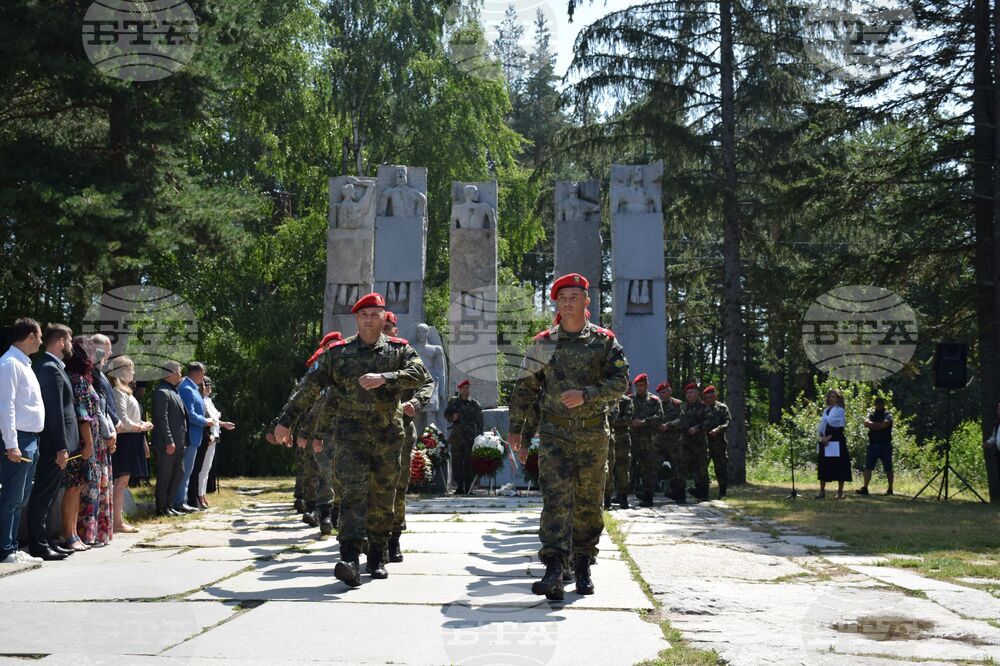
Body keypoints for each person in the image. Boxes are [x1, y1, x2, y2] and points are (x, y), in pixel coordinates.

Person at [272, 292, 432, 587]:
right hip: (351, 436)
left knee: (382, 497)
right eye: (364, 315)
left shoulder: (399, 350)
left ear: (384, 318)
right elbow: (309, 387)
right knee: (352, 494)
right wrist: (285, 421)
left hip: (387, 436)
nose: (369, 320)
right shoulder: (338, 353)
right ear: (356, 319)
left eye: (375, 314)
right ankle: (348, 557)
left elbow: (420, 375)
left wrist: (386, 378)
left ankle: (377, 554)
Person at [509, 273, 629, 600]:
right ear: (556, 303)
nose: (568, 302)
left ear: (586, 301)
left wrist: (587, 394)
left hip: (592, 435)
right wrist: (517, 432)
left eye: (574, 297)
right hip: (554, 434)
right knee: (555, 499)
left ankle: (584, 562)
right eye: (562, 298)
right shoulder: (544, 343)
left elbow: (621, 383)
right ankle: (553, 568)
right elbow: (525, 390)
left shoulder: (604, 342)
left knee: (589, 501)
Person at [26, 324, 78, 560]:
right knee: (43, 495)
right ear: (59, 341)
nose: (71, 345)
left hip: (58, 444)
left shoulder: (56, 367)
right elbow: (54, 411)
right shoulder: (49, 368)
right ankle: (38, 544)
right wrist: (60, 446)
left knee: (48, 496)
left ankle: (45, 540)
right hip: (53, 445)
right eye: (69, 340)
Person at [0, 318, 46, 565]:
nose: (41, 340)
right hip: (19, 439)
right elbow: (5, 406)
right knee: (12, 496)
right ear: (30, 336)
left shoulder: (24, 364)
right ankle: (5, 549)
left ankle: (12, 547)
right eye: (39, 336)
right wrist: (11, 444)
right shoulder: (9, 364)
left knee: (21, 497)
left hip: (31, 439)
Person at [59, 336, 102, 550]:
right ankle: (68, 534)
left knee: (77, 486)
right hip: (79, 441)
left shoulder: (83, 378)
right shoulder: (77, 379)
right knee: (73, 487)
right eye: (92, 352)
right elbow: (83, 415)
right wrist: (89, 443)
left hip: (85, 440)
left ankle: (74, 533)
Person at [106, 355, 152, 531]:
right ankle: (117, 522)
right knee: (120, 482)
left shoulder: (124, 390)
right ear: (122, 371)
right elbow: (123, 420)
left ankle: (117, 520)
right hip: (126, 439)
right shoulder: (117, 391)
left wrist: (140, 426)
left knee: (122, 482)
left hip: (132, 437)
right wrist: (142, 427)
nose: (133, 372)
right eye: (131, 369)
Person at [174, 362, 217, 513]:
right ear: (198, 373)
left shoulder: (191, 387)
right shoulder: (186, 388)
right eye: (203, 374)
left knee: (189, 470)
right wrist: (207, 421)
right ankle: (180, 501)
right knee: (185, 471)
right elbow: (191, 416)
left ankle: (182, 500)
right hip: (190, 435)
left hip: (195, 435)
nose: (204, 377)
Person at [152, 361, 188, 516]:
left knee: (179, 472)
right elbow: (162, 419)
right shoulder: (161, 392)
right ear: (171, 373)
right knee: (165, 476)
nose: (180, 374)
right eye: (179, 371)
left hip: (178, 443)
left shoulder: (173, 391)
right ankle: (162, 508)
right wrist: (169, 440)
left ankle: (169, 504)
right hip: (168, 443)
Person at [666, 383, 710, 504]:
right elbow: (680, 420)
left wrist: (697, 428)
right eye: (687, 393)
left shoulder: (704, 407)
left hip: (699, 443)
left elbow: (709, 421)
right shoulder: (684, 407)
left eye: (691, 392)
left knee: (701, 469)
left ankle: (703, 494)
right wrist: (669, 425)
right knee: (681, 468)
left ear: (697, 393)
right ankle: (680, 495)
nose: (689, 395)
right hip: (685, 443)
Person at [195, 377, 234, 509]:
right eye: (206, 384)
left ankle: (202, 494)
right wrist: (216, 418)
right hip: (208, 436)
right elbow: (209, 419)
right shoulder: (200, 400)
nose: (209, 387)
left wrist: (224, 424)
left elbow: (215, 420)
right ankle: (198, 496)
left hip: (215, 435)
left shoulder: (209, 400)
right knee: (202, 468)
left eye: (210, 384)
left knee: (207, 469)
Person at [630, 373, 664, 507]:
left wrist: (644, 422)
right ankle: (624, 495)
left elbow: (660, 416)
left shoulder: (654, 400)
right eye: (637, 386)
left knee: (647, 469)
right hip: (632, 439)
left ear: (647, 385)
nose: (639, 388)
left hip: (648, 440)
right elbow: (623, 414)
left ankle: (648, 496)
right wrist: (631, 422)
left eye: (642, 385)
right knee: (629, 467)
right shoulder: (630, 399)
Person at [444, 379, 483, 494]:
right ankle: (459, 487)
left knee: (469, 462)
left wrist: (479, 437)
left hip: (470, 437)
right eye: (464, 388)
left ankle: (469, 487)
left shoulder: (475, 404)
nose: (466, 390)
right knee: (457, 462)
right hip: (457, 436)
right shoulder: (454, 402)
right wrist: (452, 418)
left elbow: (480, 422)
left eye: (468, 388)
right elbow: (446, 414)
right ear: (460, 390)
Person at [816, 389, 851, 499]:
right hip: (825, 441)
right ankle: (822, 492)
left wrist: (829, 438)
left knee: (839, 466)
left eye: (834, 397)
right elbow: (822, 426)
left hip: (837, 440)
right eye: (830, 397)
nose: (832, 399)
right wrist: (823, 437)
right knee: (823, 465)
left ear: (838, 398)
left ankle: (840, 492)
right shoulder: (826, 410)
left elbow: (840, 428)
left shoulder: (840, 410)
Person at [858, 396, 894, 496]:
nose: (879, 406)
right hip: (873, 444)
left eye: (880, 404)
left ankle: (890, 489)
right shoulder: (871, 414)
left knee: (888, 468)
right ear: (875, 405)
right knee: (868, 467)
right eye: (877, 404)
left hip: (885, 445)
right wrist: (879, 425)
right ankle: (865, 488)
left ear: (883, 405)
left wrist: (873, 425)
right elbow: (866, 423)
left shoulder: (888, 414)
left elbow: (885, 425)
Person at [701, 385, 731, 498]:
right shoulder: (703, 408)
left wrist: (718, 429)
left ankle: (722, 492)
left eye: (710, 397)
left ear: (715, 396)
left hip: (719, 443)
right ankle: (704, 492)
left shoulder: (722, 408)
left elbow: (727, 422)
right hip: (704, 443)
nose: (708, 400)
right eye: (706, 397)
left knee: (721, 467)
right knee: (702, 467)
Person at [655, 382, 682, 499]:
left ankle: (679, 494)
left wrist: (669, 425)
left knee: (677, 468)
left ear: (670, 391)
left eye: (664, 392)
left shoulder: (677, 404)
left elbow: (682, 419)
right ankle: (650, 492)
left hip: (674, 441)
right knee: (653, 465)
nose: (662, 394)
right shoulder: (657, 404)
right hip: (659, 441)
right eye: (660, 393)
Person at [607, 392, 633, 509]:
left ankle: (623, 497)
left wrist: (609, 422)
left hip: (622, 438)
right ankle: (607, 498)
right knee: (607, 469)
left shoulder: (626, 401)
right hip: (608, 437)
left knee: (623, 468)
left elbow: (627, 419)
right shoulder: (605, 398)